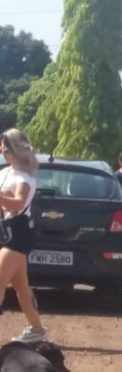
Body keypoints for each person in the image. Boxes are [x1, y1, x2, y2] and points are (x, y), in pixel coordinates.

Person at [0, 129, 47, 342]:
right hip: (8, 230)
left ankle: (37, 330)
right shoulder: (6, 172)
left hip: (18, 233)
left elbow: (18, 204)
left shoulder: (24, 178)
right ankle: (37, 330)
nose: (2, 152)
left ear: (15, 150)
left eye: (6, 149)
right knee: (21, 286)